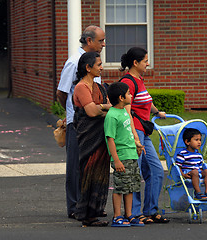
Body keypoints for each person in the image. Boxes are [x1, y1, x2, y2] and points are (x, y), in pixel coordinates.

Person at [56, 25, 106, 219]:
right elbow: (61, 92)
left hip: (94, 123)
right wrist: (71, 113)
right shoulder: (74, 62)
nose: (103, 44)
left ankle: (90, 205)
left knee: (91, 165)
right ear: (89, 41)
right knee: (76, 165)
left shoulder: (94, 62)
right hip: (77, 123)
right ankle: (75, 206)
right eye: (100, 40)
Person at [119, 47, 169, 224]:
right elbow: (125, 111)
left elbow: (146, 100)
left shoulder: (139, 80)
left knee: (156, 170)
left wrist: (157, 112)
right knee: (135, 172)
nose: (148, 63)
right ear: (135, 63)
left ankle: (150, 211)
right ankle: (133, 212)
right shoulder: (128, 82)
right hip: (135, 132)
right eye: (145, 60)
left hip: (144, 132)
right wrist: (134, 136)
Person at [72, 51, 112, 227]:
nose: (102, 67)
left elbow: (109, 109)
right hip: (88, 137)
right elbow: (91, 112)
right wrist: (105, 107)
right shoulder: (81, 87)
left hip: (102, 136)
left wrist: (102, 107)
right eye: (98, 65)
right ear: (88, 68)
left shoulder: (100, 87)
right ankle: (86, 215)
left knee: (100, 172)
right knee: (89, 172)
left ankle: (95, 211)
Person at [104, 82, 145, 227]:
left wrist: (137, 144)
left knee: (131, 186)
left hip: (131, 155)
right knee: (120, 187)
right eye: (128, 93)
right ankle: (117, 216)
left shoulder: (124, 112)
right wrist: (116, 160)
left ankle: (129, 215)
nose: (131, 95)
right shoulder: (112, 115)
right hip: (121, 157)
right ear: (121, 98)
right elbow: (110, 139)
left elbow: (127, 133)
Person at [176, 128, 207, 200]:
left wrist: (204, 172)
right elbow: (178, 166)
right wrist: (183, 175)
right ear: (187, 142)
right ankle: (198, 192)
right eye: (196, 140)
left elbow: (200, 167)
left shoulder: (199, 155)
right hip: (189, 173)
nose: (199, 142)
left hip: (198, 173)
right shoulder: (182, 154)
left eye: (200, 140)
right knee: (195, 172)